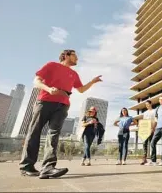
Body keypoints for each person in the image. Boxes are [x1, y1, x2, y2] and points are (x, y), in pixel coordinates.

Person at [19, 49, 102, 179]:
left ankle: (48, 168)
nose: (77, 59)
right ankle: (27, 166)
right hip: (44, 102)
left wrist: (92, 82)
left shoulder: (74, 74)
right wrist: (48, 88)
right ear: (66, 55)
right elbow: (36, 81)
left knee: (53, 135)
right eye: (75, 56)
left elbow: (80, 90)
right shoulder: (51, 65)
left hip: (63, 105)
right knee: (34, 132)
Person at [145, 96, 162, 166]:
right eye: (160, 99)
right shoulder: (157, 108)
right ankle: (153, 161)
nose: (161, 100)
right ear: (159, 101)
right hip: (158, 128)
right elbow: (156, 117)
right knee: (152, 142)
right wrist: (154, 127)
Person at [140, 100, 156, 165]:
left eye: (148, 104)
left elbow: (155, 120)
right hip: (145, 130)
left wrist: (153, 128)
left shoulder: (154, 111)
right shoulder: (145, 113)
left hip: (151, 129)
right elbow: (144, 121)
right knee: (144, 144)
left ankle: (152, 159)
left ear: (151, 104)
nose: (147, 106)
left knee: (152, 144)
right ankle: (144, 159)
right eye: (146, 105)